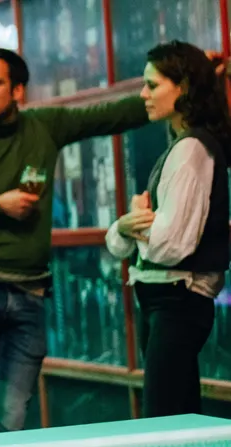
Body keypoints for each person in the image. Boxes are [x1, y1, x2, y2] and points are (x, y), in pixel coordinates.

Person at [0, 47, 152, 435]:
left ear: (18, 92)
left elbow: (109, 115)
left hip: (29, 290)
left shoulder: (44, 126)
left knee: (11, 413)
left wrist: (182, 87)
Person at [105, 40, 231, 418]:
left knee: (164, 417)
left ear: (185, 88)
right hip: (166, 299)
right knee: (173, 413)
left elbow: (169, 246)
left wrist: (136, 229)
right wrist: (130, 227)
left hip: (178, 298)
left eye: (153, 84)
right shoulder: (183, 147)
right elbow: (124, 243)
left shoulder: (191, 151)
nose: (143, 94)